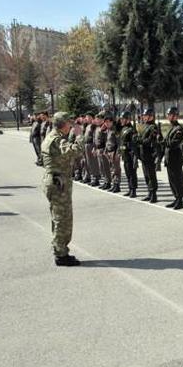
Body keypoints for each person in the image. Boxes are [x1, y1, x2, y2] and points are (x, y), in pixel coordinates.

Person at [40, 112, 85, 266]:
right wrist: (79, 135)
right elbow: (75, 151)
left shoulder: (51, 136)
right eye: (69, 123)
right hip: (58, 184)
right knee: (62, 219)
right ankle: (61, 254)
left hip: (55, 181)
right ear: (62, 124)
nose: (71, 126)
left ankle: (59, 249)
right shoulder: (56, 140)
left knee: (58, 217)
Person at [164, 107, 183, 209]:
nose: (169, 117)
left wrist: (164, 142)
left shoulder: (178, 129)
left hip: (175, 158)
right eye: (168, 115)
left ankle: (180, 200)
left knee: (177, 179)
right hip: (169, 158)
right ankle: (176, 198)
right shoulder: (171, 128)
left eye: (171, 115)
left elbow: (174, 143)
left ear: (176, 116)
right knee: (171, 180)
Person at [137, 108, 159, 203]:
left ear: (151, 116)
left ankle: (154, 194)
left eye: (146, 116)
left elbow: (151, 140)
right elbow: (140, 137)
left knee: (151, 175)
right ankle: (149, 192)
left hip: (150, 154)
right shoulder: (144, 126)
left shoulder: (153, 127)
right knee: (146, 175)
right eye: (144, 116)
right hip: (143, 154)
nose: (144, 117)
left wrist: (140, 141)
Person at [119, 111, 139, 198]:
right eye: (121, 119)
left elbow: (134, 143)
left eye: (123, 119)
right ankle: (130, 188)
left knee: (132, 173)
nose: (121, 120)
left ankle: (133, 190)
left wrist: (126, 146)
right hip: (125, 154)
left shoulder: (132, 130)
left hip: (130, 154)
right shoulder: (123, 129)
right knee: (127, 172)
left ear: (128, 119)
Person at [104, 112, 121, 193]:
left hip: (114, 152)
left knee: (116, 169)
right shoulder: (108, 130)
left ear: (111, 122)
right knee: (112, 169)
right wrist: (105, 151)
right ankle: (114, 184)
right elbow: (107, 142)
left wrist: (117, 153)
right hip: (109, 152)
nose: (107, 123)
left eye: (108, 122)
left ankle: (117, 185)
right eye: (105, 122)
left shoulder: (115, 130)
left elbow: (119, 142)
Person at [93, 112, 111, 190]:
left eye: (99, 119)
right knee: (101, 167)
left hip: (103, 149)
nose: (97, 120)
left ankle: (108, 182)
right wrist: (94, 148)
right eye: (97, 119)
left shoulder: (104, 128)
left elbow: (107, 139)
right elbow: (95, 139)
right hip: (98, 149)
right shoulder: (97, 128)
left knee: (106, 166)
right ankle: (105, 181)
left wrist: (106, 150)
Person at [83, 112, 101, 186]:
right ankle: (90, 176)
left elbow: (95, 137)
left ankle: (96, 178)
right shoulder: (87, 126)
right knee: (88, 162)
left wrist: (94, 146)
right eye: (86, 117)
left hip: (91, 145)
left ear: (91, 118)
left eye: (88, 117)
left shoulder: (94, 126)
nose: (86, 118)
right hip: (86, 144)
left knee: (94, 162)